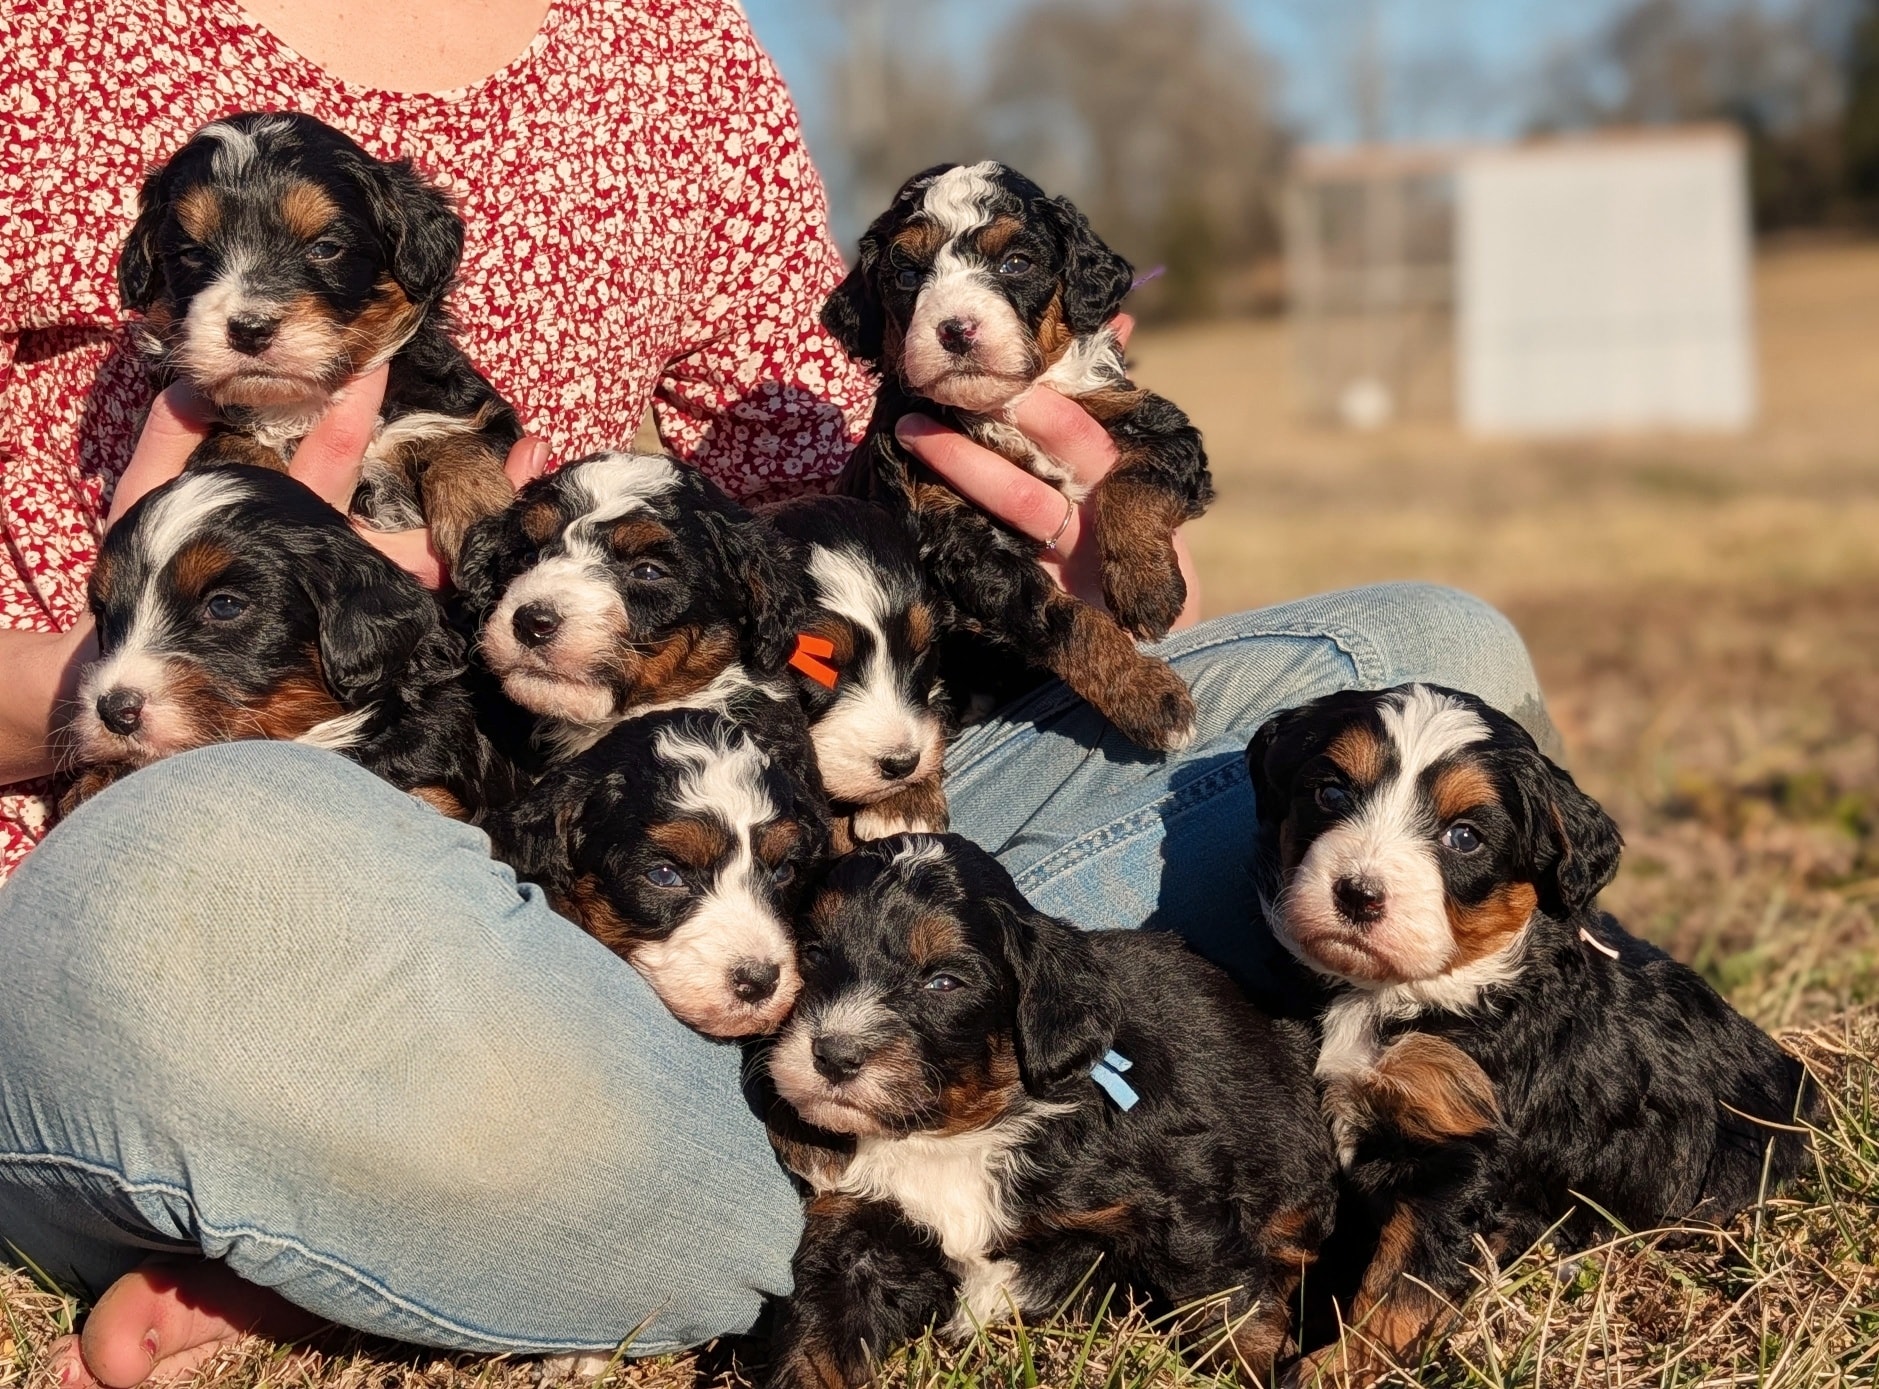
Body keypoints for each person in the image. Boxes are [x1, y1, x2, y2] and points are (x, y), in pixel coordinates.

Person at [0, 1, 1557, 1384]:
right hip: (199, 870)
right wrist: (129, 684)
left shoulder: (671, 42)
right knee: (192, 875)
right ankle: (827, 1186)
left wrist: (1028, 581)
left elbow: (812, 553)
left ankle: (528, 1212)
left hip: (725, 861)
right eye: (199, 260)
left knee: (1415, 663)